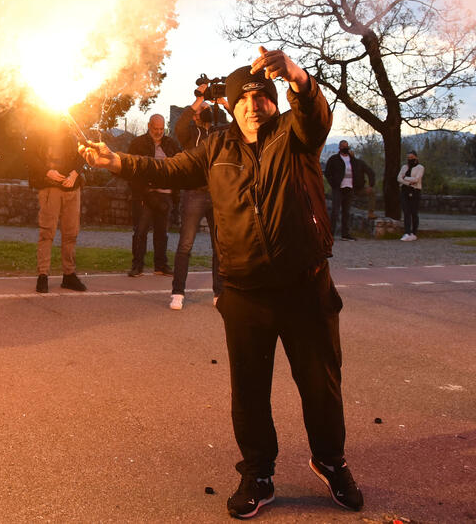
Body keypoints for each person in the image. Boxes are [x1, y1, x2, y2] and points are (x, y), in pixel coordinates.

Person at [79, 47, 363, 519]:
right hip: (245, 291)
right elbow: (167, 169)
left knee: (321, 385)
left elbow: (314, 113)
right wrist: (116, 162)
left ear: (275, 102)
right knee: (249, 390)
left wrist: (298, 77)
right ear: (230, 106)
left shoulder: (295, 135)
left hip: (305, 286)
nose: (254, 105)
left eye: (263, 97)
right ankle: (258, 472)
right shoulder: (216, 148)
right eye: (244, 98)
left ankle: (331, 462)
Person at [169, 91, 223, 310]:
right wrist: (199, 99)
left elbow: (240, 125)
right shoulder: (190, 133)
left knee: (220, 246)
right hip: (195, 192)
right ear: (195, 115)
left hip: (218, 192)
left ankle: (219, 292)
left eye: (208, 108)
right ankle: (177, 292)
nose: (206, 110)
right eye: (203, 110)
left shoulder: (220, 132)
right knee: (186, 244)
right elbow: (179, 125)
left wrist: (224, 102)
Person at [27, 114, 87, 293]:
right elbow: (29, 156)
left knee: (71, 233)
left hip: (72, 188)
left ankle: (69, 275)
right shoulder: (37, 129)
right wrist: (47, 171)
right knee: (47, 232)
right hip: (49, 187)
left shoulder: (72, 129)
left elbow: (83, 152)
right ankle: (42, 275)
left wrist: (75, 173)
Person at [126, 114, 180, 277]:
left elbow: (179, 167)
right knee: (140, 231)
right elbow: (131, 170)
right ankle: (137, 266)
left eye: (161, 129)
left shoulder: (171, 144)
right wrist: (143, 190)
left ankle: (161, 265)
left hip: (165, 195)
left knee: (162, 233)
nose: (158, 132)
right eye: (155, 128)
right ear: (149, 126)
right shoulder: (138, 144)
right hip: (145, 195)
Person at [324, 141, 375, 240]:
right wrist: (333, 183)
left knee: (346, 212)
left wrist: (370, 185)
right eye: (343, 146)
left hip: (350, 188)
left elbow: (369, 171)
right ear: (339, 147)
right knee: (335, 212)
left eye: (346, 146)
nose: (345, 148)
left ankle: (345, 234)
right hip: (338, 189)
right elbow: (327, 173)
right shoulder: (334, 159)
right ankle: (330, 234)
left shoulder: (354, 161)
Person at [397, 151, 424, 242]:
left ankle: (414, 232)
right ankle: (407, 232)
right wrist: (408, 182)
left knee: (414, 212)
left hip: (415, 191)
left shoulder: (420, 168)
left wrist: (405, 178)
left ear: (416, 157)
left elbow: (416, 179)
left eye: (411, 157)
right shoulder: (404, 167)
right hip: (405, 191)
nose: (410, 159)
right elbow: (399, 178)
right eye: (408, 158)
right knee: (406, 212)